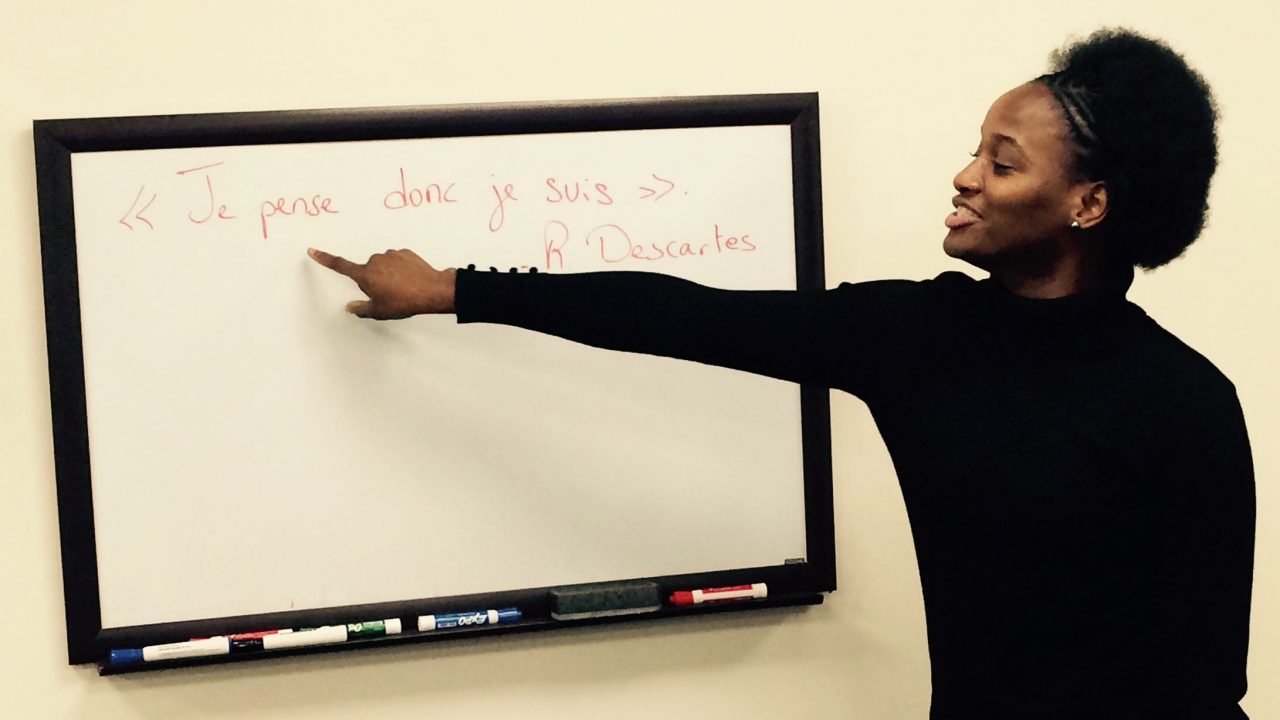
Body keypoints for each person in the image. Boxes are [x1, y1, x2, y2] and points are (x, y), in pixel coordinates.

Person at [308, 28, 1254, 720]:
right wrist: (455, 289)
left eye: (1001, 164)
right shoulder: (919, 334)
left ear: (1087, 204)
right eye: (974, 150)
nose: (965, 177)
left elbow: (1207, 683)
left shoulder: (1186, 404)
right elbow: (683, 315)